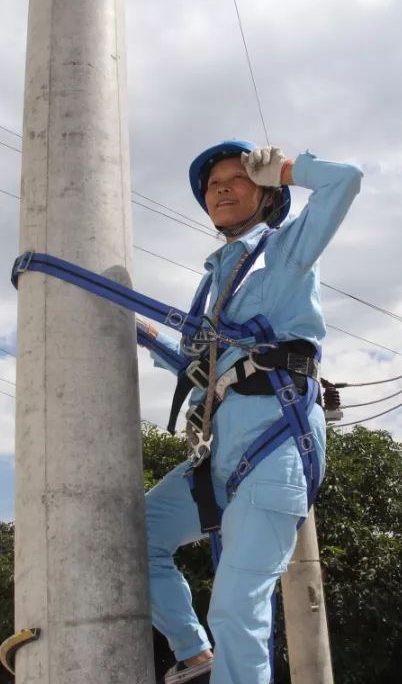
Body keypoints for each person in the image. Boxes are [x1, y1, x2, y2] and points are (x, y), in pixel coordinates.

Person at [139, 140, 362, 684]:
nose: (219, 187)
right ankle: (194, 656)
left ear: (267, 195)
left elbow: (346, 179)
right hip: (217, 458)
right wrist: (150, 341)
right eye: (212, 183)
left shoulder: (282, 254)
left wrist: (287, 169)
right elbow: (205, 367)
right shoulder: (212, 284)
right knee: (134, 535)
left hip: (274, 448)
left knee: (237, 609)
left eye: (237, 177)